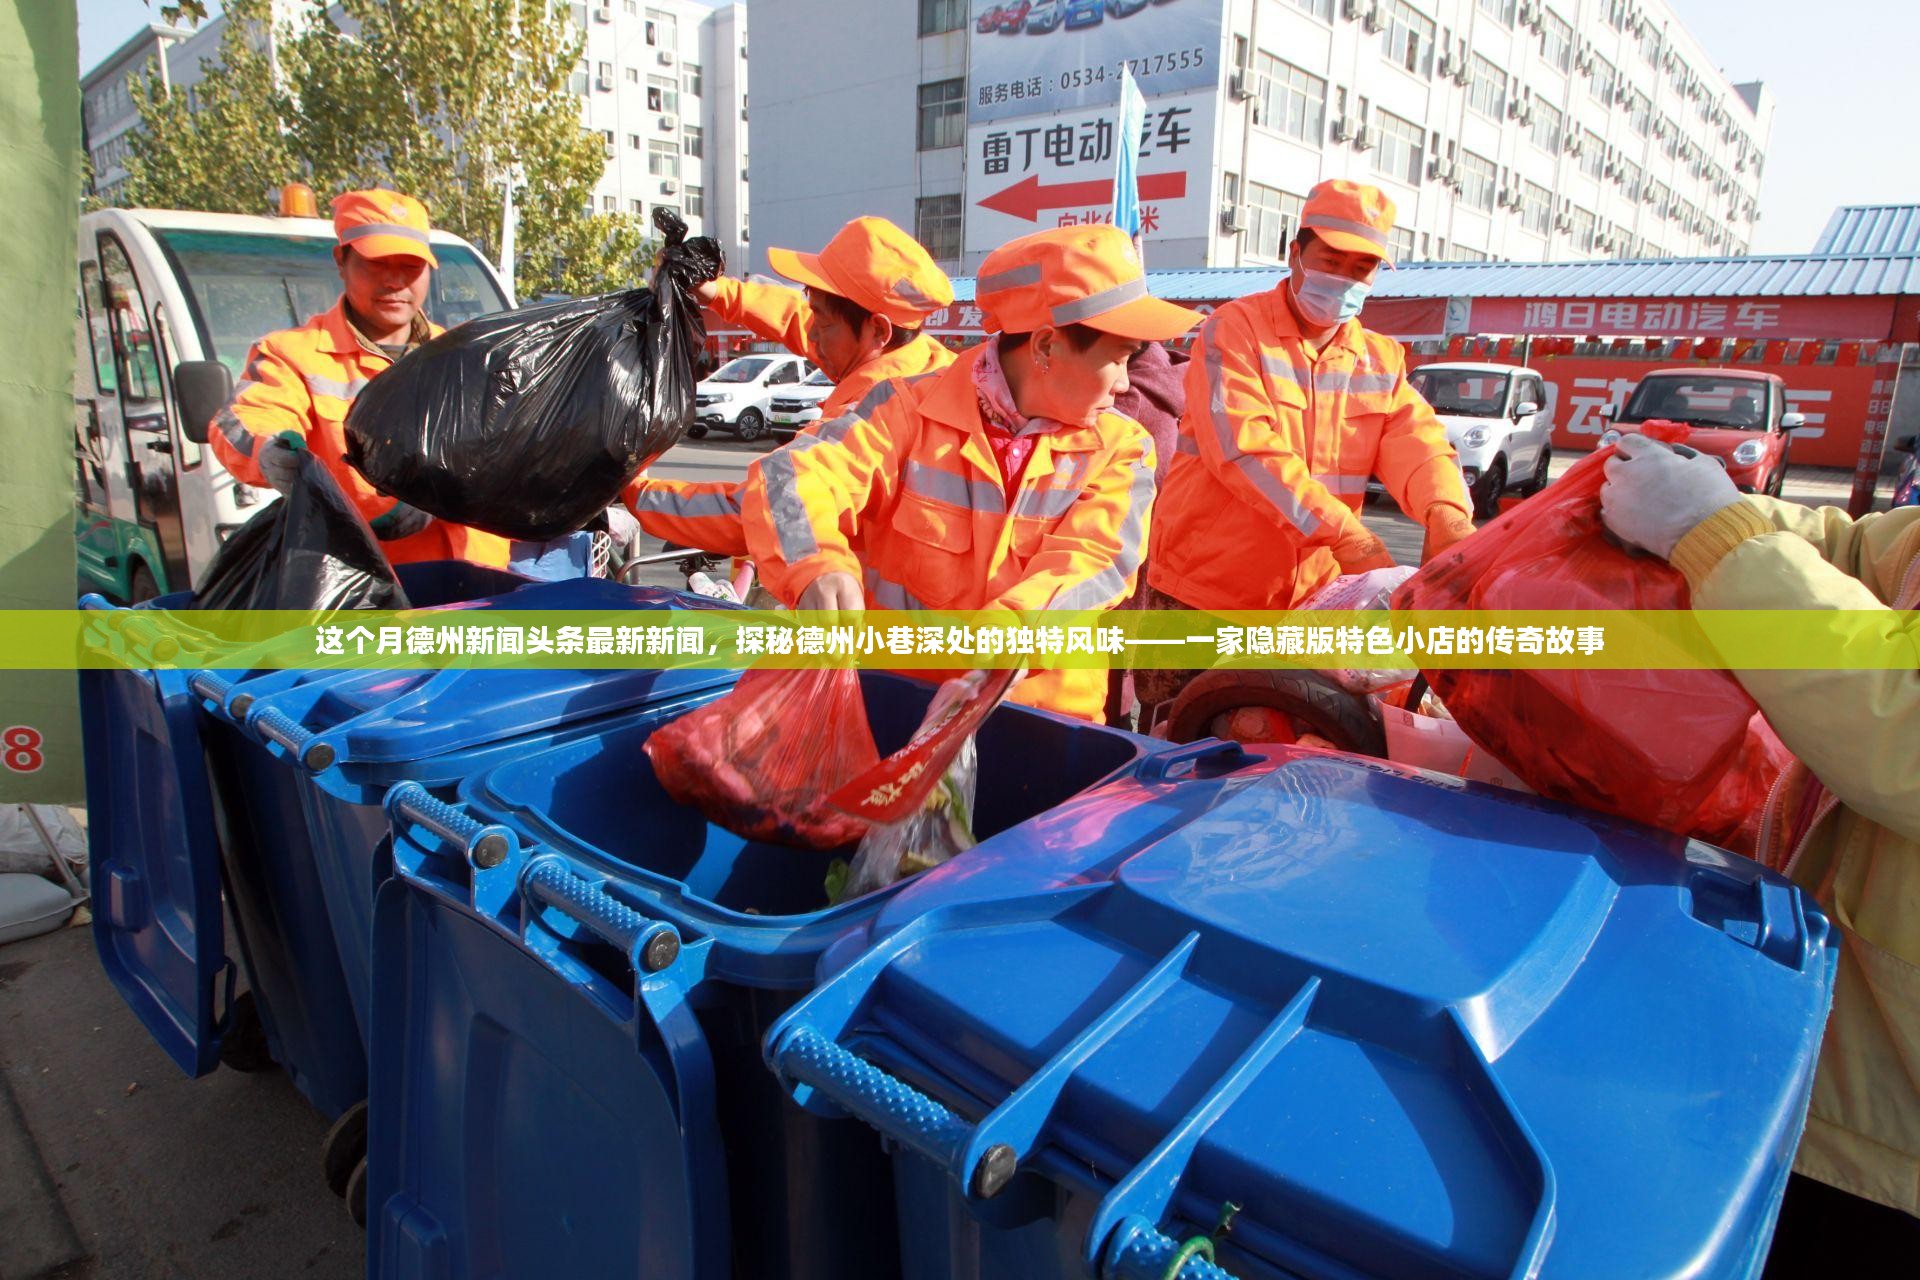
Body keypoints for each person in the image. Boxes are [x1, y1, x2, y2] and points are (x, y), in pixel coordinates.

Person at [1599, 433, 1920, 1267]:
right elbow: (1867, 551)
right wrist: (1712, 503)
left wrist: (1715, 537)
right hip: (1838, 1025)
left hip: (1892, 1141)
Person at [737, 224, 1202, 722]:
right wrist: (815, 564)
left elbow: (1094, 560)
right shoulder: (905, 410)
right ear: (1045, 346)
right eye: (1120, 359)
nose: (1127, 383)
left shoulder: (1123, 448)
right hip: (898, 709)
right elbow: (794, 474)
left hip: (1041, 723)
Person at [208, 189, 509, 567]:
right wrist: (270, 451)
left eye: (411, 266)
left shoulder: (465, 355)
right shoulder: (292, 355)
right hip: (368, 587)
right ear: (341, 260)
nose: (396, 280)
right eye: (378, 263)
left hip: (480, 583)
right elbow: (245, 419)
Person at [627, 216, 956, 558]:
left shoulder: (876, 421)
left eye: (823, 323)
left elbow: (765, 511)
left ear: (878, 330)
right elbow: (796, 318)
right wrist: (716, 291)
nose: (812, 335)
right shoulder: (921, 357)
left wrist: (636, 492)